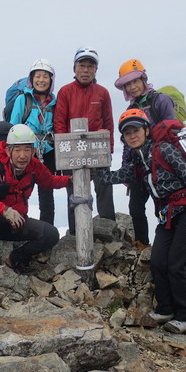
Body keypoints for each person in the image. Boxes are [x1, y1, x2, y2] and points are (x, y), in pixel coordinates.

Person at [98, 109, 186, 334]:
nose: (132, 136)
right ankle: (165, 309)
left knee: (175, 265)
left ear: (146, 130)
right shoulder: (137, 161)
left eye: (136, 131)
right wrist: (91, 173)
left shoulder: (164, 150)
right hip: (166, 217)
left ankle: (185, 317)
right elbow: (116, 176)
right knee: (157, 263)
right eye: (127, 134)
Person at [0, 124, 70, 274]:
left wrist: (70, 180)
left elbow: (50, 181)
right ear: (8, 151)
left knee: (51, 234)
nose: (23, 155)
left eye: (27, 150)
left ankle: (16, 258)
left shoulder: (34, 166)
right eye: (18, 150)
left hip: (17, 222)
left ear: (33, 151)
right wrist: (4, 210)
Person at [114, 59, 175, 248]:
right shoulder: (130, 109)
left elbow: (172, 133)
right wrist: (126, 169)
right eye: (127, 84)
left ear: (143, 79)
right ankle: (142, 244)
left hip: (162, 166)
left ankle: (169, 245)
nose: (132, 87)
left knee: (165, 205)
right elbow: (127, 143)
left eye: (135, 81)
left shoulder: (161, 100)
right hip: (139, 168)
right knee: (136, 207)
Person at [53, 46, 115, 233]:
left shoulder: (102, 92)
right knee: (74, 192)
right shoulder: (65, 91)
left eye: (90, 66)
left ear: (96, 70)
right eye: (82, 65)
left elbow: (109, 122)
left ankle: (108, 228)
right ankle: (75, 233)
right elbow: (59, 123)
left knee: (104, 187)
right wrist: (63, 154)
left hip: (97, 150)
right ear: (74, 68)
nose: (86, 70)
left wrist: (108, 150)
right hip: (72, 152)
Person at [9, 58, 57, 225]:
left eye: (45, 76)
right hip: (26, 152)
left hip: (48, 151)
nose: (41, 80)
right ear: (31, 79)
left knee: (47, 192)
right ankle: (18, 227)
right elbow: (13, 126)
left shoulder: (55, 102)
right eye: (38, 76)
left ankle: (47, 230)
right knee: (20, 191)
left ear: (51, 80)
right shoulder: (23, 100)